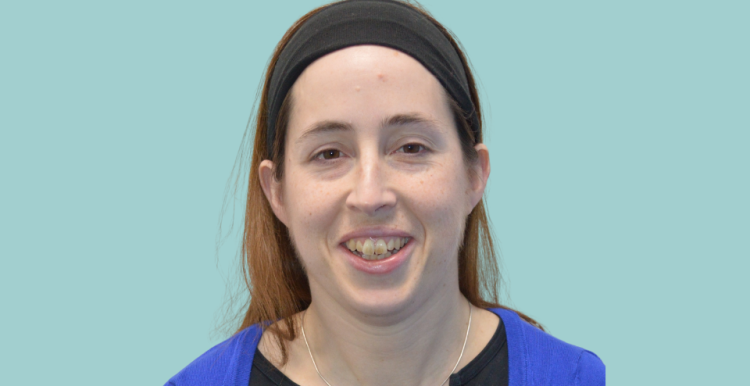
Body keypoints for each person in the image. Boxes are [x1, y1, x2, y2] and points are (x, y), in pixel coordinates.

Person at [166, 0, 605, 385]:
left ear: (475, 175)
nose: (371, 195)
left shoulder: (573, 379)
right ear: (276, 192)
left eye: (411, 147)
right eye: (329, 153)